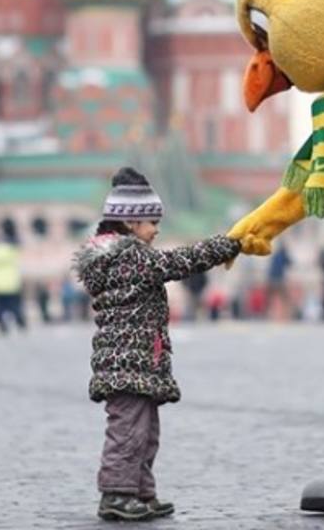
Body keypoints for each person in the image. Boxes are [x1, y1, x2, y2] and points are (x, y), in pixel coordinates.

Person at [74, 167, 240, 522]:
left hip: (134, 362)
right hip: (127, 363)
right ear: (131, 223)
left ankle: (141, 493)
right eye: (152, 221)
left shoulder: (115, 255)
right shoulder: (130, 255)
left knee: (145, 432)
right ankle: (117, 494)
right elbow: (177, 263)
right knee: (128, 432)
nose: (157, 229)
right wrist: (226, 244)